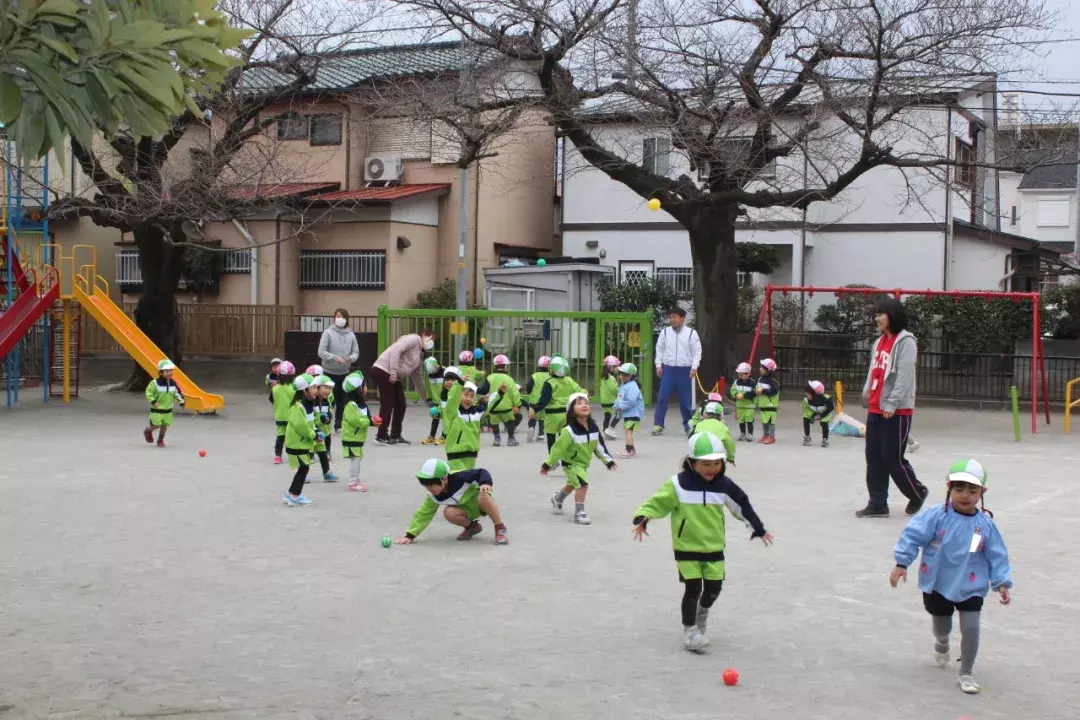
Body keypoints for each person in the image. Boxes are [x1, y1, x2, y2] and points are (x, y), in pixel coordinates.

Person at [632, 432, 772, 652]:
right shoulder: (678, 484)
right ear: (691, 462)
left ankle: (702, 612)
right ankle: (690, 631)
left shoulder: (724, 485)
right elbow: (657, 503)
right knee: (693, 588)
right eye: (706, 463)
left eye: (717, 463)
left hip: (714, 547)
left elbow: (741, 505)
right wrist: (643, 518)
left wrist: (757, 528)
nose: (712, 468)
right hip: (686, 547)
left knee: (714, 589)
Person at [889, 459, 1012, 695]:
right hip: (938, 582)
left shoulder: (984, 524)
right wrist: (901, 563)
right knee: (941, 625)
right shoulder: (936, 516)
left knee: (971, 628)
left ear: (982, 493)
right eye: (959, 489)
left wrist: (1002, 582)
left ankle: (966, 671)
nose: (965, 496)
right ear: (948, 488)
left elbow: (997, 554)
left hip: (971, 584)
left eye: (972, 491)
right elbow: (912, 536)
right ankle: (942, 642)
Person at [857, 298, 929, 518]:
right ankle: (878, 503)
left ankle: (917, 492)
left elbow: (905, 376)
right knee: (874, 456)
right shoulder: (879, 342)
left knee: (892, 457)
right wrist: (866, 393)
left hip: (896, 411)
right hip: (876, 408)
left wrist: (892, 403)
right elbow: (874, 371)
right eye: (876, 314)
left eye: (881, 314)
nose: (877, 318)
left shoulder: (906, 342)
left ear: (893, 315)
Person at [542, 393, 616, 526]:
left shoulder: (593, 428)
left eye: (586, 403)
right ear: (571, 410)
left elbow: (599, 446)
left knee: (572, 484)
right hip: (571, 464)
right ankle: (579, 513)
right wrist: (548, 464)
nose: (584, 405)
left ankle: (557, 500)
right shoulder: (568, 431)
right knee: (582, 484)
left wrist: (608, 460)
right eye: (579, 403)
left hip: (583, 464)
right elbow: (557, 449)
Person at [396, 458, 508, 545]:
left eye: (431, 486)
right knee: (448, 512)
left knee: (483, 496)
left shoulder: (459, 476)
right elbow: (423, 513)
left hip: (481, 503)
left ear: (444, 479)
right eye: (426, 487)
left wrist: (485, 483)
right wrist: (409, 536)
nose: (430, 490)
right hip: (466, 511)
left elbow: (481, 472)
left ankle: (500, 528)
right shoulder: (433, 495)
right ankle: (472, 527)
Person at [370, 327, 436, 445]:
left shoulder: (420, 356)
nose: (431, 342)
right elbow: (396, 350)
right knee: (388, 403)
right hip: (383, 370)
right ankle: (381, 436)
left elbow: (419, 380)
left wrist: (427, 401)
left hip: (394, 375)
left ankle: (395, 435)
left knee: (401, 404)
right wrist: (393, 371)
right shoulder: (413, 339)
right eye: (430, 338)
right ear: (423, 334)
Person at [441, 368, 505, 473]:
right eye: (465, 395)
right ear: (459, 395)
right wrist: (460, 384)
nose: (468, 398)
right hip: (455, 453)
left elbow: (490, 405)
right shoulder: (452, 412)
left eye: (471, 396)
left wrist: (500, 394)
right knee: (458, 478)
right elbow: (452, 399)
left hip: (472, 453)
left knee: (468, 480)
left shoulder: (476, 413)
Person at [652, 307, 702, 436]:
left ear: (682, 318)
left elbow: (697, 352)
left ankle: (688, 425)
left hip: (685, 370)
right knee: (662, 397)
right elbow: (660, 349)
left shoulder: (691, 333)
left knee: (686, 400)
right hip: (668, 370)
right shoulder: (665, 332)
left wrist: (694, 367)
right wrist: (658, 365)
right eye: (671, 317)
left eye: (675, 317)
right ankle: (658, 424)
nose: (672, 320)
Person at [317, 309, 360, 433]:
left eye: (341, 317)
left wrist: (350, 359)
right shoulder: (328, 333)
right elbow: (321, 352)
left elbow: (356, 352)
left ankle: (339, 425)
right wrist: (335, 358)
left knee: (342, 400)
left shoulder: (351, 335)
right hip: (329, 372)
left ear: (346, 319)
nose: (339, 319)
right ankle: (324, 422)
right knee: (328, 399)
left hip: (344, 372)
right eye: (337, 316)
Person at [531, 356, 584, 453]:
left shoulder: (549, 383)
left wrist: (535, 409)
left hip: (552, 415)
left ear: (551, 371)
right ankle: (566, 457)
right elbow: (580, 392)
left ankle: (552, 459)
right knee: (564, 437)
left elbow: (544, 400)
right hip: (566, 414)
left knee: (551, 437)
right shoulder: (569, 381)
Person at [282, 374, 318, 506]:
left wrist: (316, 432)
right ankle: (294, 495)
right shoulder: (298, 406)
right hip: (297, 443)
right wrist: (313, 434)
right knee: (304, 468)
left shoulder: (307, 405)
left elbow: (309, 423)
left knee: (303, 468)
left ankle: (291, 493)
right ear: (304, 390)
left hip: (301, 442)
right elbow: (300, 426)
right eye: (313, 387)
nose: (316, 390)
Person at [341, 372, 376, 492]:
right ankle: (352, 482)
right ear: (359, 389)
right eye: (364, 386)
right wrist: (369, 422)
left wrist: (372, 420)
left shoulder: (360, 404)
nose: (366, 388)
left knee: (357, 459)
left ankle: (355, 479)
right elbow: (357, 421)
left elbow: (365, 417)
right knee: (355, 459)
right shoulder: (351, 405)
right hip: (351, 437)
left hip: (357, 437)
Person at [143, 359, 185, 447]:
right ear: (161, 372)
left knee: (164, 425)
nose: (169, 373)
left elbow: (177, 392)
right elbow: (149, 392)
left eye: (171, 371)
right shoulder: (155, 383)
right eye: (167, 371)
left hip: (168, 409)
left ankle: (160, 440)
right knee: (157, 424)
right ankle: (148, 431)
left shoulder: (173, 383)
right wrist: (153, 401)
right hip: (157, 409)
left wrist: (181, 401)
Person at [485, 354, 522, 447]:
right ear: (506, 367)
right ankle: (511, 438)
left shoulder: (489, 378)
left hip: (493, 407)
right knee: (510, 421)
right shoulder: (509, 379)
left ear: (494, 366)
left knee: (494, 423)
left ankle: (497, 438)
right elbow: (515, 393)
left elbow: (483, 390)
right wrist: (517, 405)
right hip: (507, 408)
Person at [612, 362, 644, 459]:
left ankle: (629, 450)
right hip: (629, 412)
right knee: (627, 431)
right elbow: (620, 398)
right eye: (621, 374)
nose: (622, 376)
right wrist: (617, 405)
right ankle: (631, 450)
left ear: (631, 376)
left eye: (626, 375)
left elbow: (631, 401)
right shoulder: (625, 385)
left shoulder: (632, 386)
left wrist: (620, 406)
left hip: (633, 413)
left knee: (628, 431)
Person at [313, 376, 339, 482]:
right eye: (325, 387)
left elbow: (328, 413)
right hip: (311, 433)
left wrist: (327, 419)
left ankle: (327, 473)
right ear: (317, 388)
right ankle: (301, 475)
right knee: (304, 456)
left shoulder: (326, 401)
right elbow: (310, 418)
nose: (328, 391)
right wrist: (320, 419)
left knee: (323, 454)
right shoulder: (312, 401)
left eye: (330, 388)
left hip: (321, 434)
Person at [271, 361, 296, 464]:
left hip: (279, 416)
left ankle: (278, 456)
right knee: (293, 437)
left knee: (280, 436)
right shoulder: (294, 388)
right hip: (292, 416)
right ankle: (294, 455)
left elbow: (272, 400)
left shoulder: (275, 389)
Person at [523, 355, 551, 443]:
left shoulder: (534, 376)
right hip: (545, 402)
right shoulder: (551, 377)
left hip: (534, 401)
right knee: (542, 419)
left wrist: (528, 391)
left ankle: (531, 428)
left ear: (538, 366)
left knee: (532, 417)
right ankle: (541, 435)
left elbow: (529, 388)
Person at [802, 380, 835, 448]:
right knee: (805, 419)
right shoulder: (805, 400)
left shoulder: (827, 399)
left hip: (825, 412)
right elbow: (806, 409)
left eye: (808, 393)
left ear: (815, 393)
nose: (806, 394)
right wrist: (813, 416)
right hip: (812, 412)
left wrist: (821, 416)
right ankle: (807, 437)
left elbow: (830, 408)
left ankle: (825, 440)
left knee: (823, 423)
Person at [729, 362, 757, 442]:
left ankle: (750, 434)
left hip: (749, 406)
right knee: (741, 421)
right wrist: (736, 394)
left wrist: (744, 395)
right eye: (739, 374)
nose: (740, 376)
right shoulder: (736, 382)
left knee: (749, 420)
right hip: (740, 406)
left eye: (742, 374)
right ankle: (742, 433)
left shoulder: (753, 383)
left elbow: (754, 393)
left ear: (748, 374)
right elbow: (732, 390)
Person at [755, 359, 780, 445]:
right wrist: (757, 391)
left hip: (771, 405)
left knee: (771, 421)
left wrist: (763, 391)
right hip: (763, 404)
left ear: (768, 370)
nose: (760, 369)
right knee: (764, 421)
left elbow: (774, 391)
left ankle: (771, 437)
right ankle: (765, 435)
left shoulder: (773, 381)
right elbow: (757, 388)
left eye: (762, 367)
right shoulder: (760, 379)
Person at [421, 357, 445, 446]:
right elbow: (428, 388)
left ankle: (444, 436)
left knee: (446, 420)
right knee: (435, 419)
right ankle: (432, 436)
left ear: (437, 366)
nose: (432, 374)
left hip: (445, 401)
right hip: (435, 401)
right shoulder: (429, 375)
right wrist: (429, 399)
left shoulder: (445, 373)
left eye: (433, 372)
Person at [600, 355, 621, 439]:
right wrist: (621, 390)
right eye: (616, 366)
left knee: (607, 416)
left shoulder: (604, 377)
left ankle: (605, 431)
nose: (618, 368)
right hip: (611, 401)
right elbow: (614, 390)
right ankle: (610, 429)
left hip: (604, 401)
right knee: (619, 414)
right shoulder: (610, 378)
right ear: (611, 367)